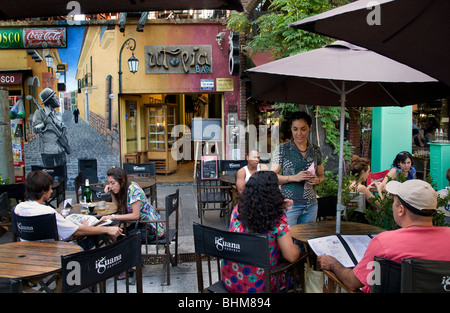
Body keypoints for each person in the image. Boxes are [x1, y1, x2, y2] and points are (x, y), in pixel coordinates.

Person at [317, 179, 450, 293]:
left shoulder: (385, 242)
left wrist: (333, 263)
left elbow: (352, 282)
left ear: (401, 210)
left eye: (394, 201)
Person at [221, 171, 301, 293]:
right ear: (273, 193)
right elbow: (291, 256)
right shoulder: (276, 220)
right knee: (298, 267)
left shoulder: (238, 210)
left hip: (231, 279)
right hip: (261, 285)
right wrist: (299, 249)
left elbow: (259, 208)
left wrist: (278, 206)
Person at [14, 170, 123, 244]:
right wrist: (108, 229)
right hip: (57, 253)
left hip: (29, 253)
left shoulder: (18, 209)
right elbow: (76, 232)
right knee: (99, 234)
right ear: (43, 190)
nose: (52, 191)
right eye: (50, 188)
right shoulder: (47, 212)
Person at [271, 111, 325, 226]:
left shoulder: (315, 150)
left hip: (311, 205)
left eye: (303, 129)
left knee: (306, 241)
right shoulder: (282, 149)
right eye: (295, 129)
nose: (299, 133)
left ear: (310, 128)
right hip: (289, 205)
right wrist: (293, 178)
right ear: (291, 128)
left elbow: (321, 176)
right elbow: (271, 177)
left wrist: (317, 180)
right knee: (288, 241)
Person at [100, 166, 164, 238]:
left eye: (113, 183)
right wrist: (111, 192)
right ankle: (122, 248)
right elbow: (118, 207)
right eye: (109, 183)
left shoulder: (133, 189)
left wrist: (112, 217)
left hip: (149, 226)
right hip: (136, 223)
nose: (110, 186)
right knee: (110, 230)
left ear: (122, 181)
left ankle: (124, 248)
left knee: (113, 232)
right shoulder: (123, 189)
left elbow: (135, 215)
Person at [32, 87, 70, 182]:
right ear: (50, 100)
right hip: (47, 150)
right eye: (55, 97)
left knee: (63, 174)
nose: (57, 99)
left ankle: (63, 191)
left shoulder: (58, 114)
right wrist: (44, 123)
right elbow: (35, 129)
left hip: (60, 149)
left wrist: (64, 129)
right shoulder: (40, 113)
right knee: (49, 176)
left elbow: (63, 126)